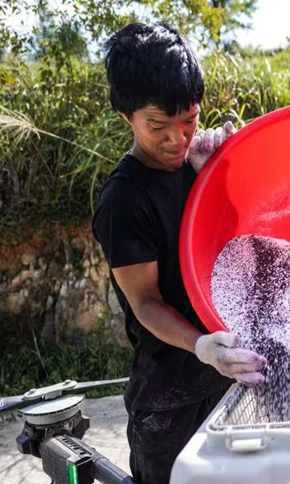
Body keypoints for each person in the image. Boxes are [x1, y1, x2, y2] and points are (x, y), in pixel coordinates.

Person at [93, 22, 264, 484]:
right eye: (158, 127)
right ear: (125, 116)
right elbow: (146, 303)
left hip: (228, 383)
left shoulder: (197, 162)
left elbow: (240, 245)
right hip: (168, 402)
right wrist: (201, 346)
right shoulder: (124, 200)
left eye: (188, 121)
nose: (177, 140)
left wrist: (224, 175)